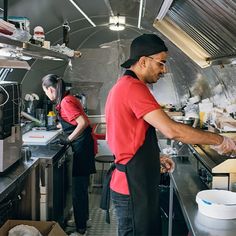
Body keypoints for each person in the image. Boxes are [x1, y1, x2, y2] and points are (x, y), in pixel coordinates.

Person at [104, 34, 236, 236]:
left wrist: (153, 158)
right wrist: (220, 140)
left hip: (134, 180)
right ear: (143, 61)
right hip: (132, 188)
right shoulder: (134, 88)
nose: (164, 70)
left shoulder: (123, 86)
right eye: (161, 63)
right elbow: (171, 130)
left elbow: (129, 136)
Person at [42, 74, 96, 236]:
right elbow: (74, 120)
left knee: (79, 189)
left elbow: (82, 123)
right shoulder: (68, 98)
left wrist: (68, 139)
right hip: (83, 145)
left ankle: (81, 230)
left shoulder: (65, 102)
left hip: (81, 147)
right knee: (81, 187)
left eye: (45, 92)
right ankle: (82, 221)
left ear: (51, 89)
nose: (46, 95)